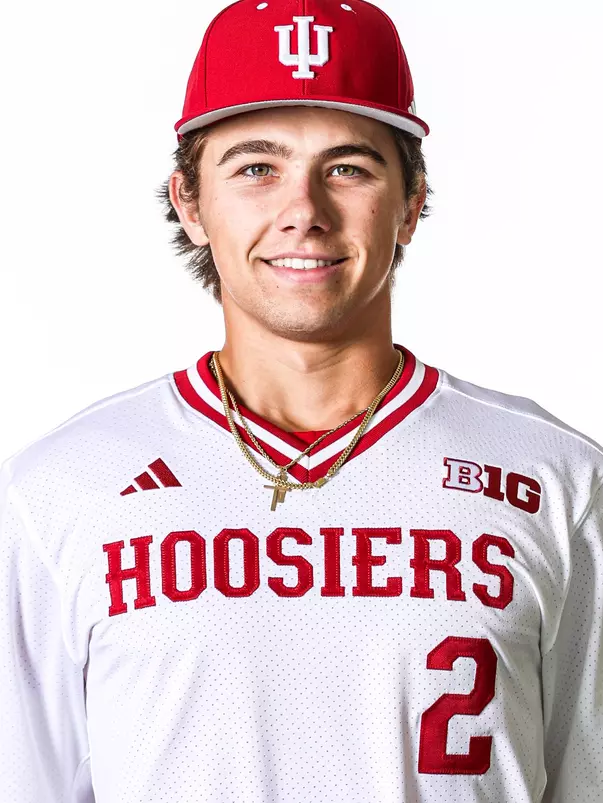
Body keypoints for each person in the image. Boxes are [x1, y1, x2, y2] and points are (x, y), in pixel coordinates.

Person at [1, 0, 601, 800]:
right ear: (189, 202)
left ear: (410, 203)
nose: (304, 213)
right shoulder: (60, 491)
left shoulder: (556, 479)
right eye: (256, 167)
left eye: (347, 167)